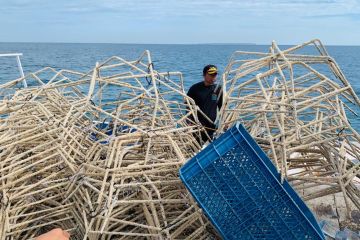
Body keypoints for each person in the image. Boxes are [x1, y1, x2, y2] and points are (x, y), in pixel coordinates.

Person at [187, 65, 222, 143]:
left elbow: (222, 107)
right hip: (197, 125)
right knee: (195, 147)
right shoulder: (195, 88)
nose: (213, 77)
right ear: (204, 75)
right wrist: (189, 121)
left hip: (211, 126)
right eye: (211, 75)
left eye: (215, 75)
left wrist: (225, 122)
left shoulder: (218, 89)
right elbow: (188, 105)